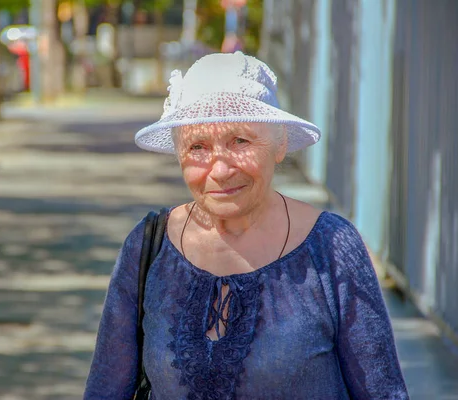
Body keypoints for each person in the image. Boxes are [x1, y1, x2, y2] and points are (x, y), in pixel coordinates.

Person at [84, 51, 409, 399]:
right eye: (198, 146)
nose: (220, 170)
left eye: (240, 141)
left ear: (280, 144)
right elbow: (106, 388)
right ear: (179, 155)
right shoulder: (149, 246)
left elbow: (382, 391)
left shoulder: (331, 247)